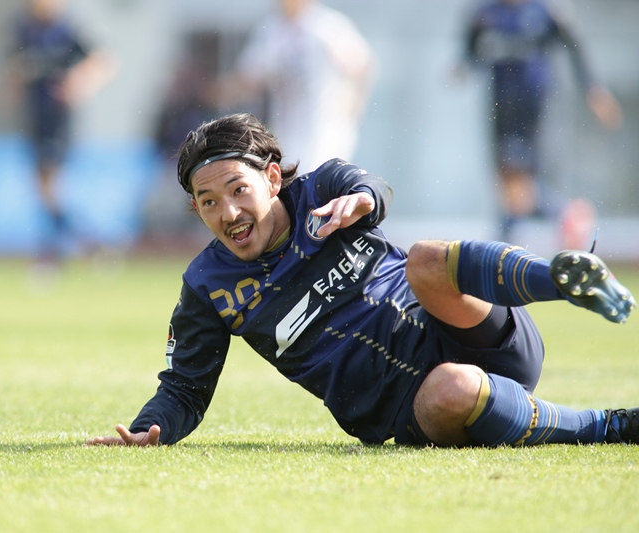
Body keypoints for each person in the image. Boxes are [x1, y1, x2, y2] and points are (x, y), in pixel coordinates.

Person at [86, 113, 636, 449]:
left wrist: (364, 200)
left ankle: (560, 279)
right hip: (408, 405)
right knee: (453, 389)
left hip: (475, 333)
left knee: (425, 259)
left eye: (238, 189)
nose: (228, 212)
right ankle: (607, 426)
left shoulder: (322, 189)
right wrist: (150, 428)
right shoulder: (207, 285)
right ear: (195, 209)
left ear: (272, 178)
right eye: (208, 202)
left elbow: (373, 187)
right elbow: (184, 386)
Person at [458, 0, 622, 245]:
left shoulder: (544, 10)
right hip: (500, 106)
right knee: (508, 183)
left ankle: (559, 217)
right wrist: (463, 64)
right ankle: (522, 234)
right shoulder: (486, 12)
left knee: (519, 181)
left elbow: (574, 46)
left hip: (535, 107)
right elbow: (471, 49)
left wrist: (593, 89)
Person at [5, 0, 118, 269]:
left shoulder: (68, 30)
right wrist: (14, 82)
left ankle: (54, 253)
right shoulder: (23, 29)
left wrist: (80, 83)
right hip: (35, 118)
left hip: (58, 120)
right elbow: (14, 68)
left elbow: (104, 61)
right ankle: (89, 245)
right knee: (45, 191)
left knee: (49, 188)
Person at [221, 0, 374, 174]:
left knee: (317, 180)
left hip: (325, 130)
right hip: (287, 131)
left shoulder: (327, 27)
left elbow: (361, 67)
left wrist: (353, 106)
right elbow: (248, 77)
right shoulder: (271, 31)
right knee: (291, 178)